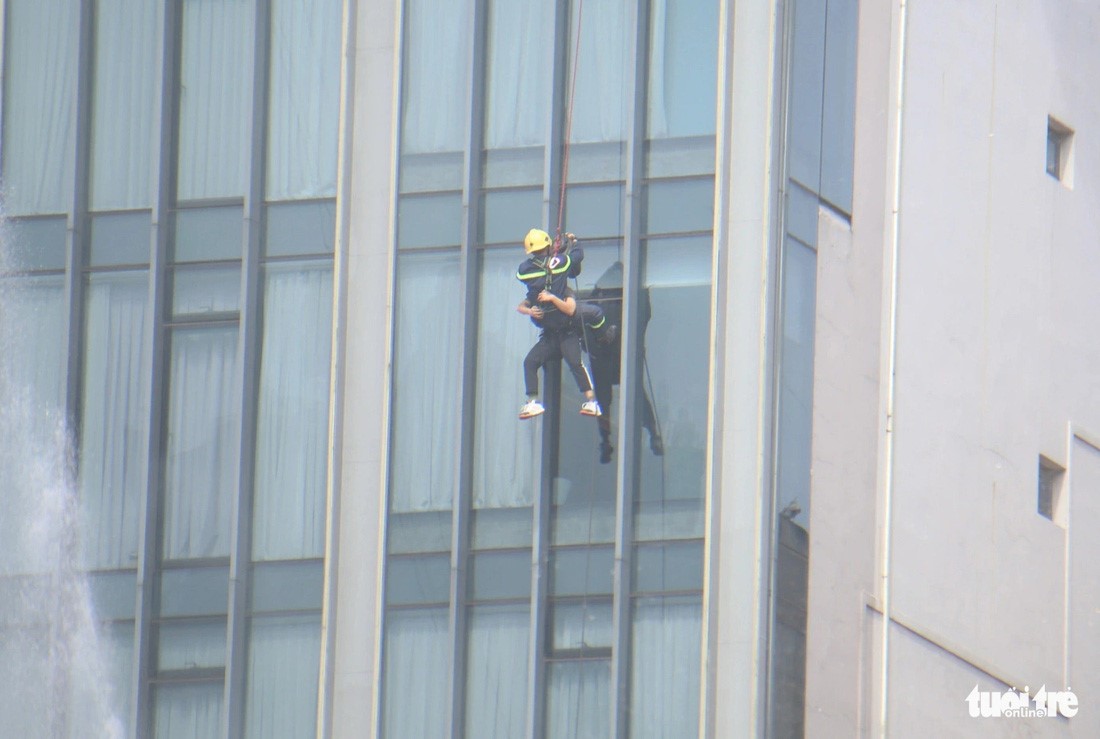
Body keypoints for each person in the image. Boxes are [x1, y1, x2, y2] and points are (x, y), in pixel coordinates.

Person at [515, 228, 602, 420]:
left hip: (550, 332)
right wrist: (573, 241)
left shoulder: (525, 271)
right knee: (575, 364)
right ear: (547, 246)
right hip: (563, 330)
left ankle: (532, 401)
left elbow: (530, 286)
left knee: (530, 362)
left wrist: (531, 310)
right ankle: (591, 400)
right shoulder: (560, 263)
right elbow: (577, 256)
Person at [584, 262, 663, 462]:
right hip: (612, 353)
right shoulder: (608, 296)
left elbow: (583, 319)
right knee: (631, 393)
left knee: (609, 398)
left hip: (610, 354)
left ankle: (607, 441)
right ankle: (649, 434)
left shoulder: (600, 295)